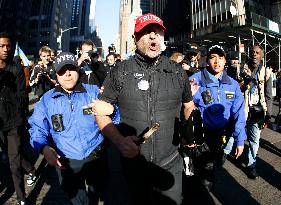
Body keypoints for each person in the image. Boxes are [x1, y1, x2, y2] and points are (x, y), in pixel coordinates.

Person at [91, 13, 193, 205]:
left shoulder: (178, 71)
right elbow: (101, 111)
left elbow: (188, 105)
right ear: (135, 39)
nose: (153, 36)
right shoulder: (120, 71)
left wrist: (188, 134)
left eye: (157, 31)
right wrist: (120, 142)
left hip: (170, 163)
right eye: (146, 32)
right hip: (135, 164)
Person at [28, 52, 119, 205]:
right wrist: (44, 148)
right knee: (77, 201)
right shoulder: (47, 100)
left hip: (95, 156)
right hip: (66, 161)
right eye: (62, 70)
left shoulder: (94, 92)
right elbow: (37, 129)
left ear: (78, 70)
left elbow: (116, 119)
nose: (68, 74)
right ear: (56, 74)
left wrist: (113, 110)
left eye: (71, 69)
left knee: (96, 196)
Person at [188, 45, 246, 191]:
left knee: (211, 163)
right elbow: (184, 106)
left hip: (221, 133)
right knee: (203, 167)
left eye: (220, 58)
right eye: (213, 57)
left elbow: (238, 113)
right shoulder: (195, 80)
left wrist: (240, 140)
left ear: (225, 61)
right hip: (199, 134)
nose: (217, 62)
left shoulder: (232, 84)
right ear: (207, 61)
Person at [224, 44, 272, 179]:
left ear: (262, 55)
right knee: (234, 131)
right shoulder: (240, 69)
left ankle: (251, 165)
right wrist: (242, 84)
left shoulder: (266, 72)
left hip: (257, 110)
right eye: (252, 52)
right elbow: (232, 88)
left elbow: (268, 95)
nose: (254, 54)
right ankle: (224, 153)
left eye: (257, 52)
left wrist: (268, 115)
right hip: (241, 108)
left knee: (254, 139)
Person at [0, 32, 34, 205]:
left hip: (13, 121)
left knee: (13, 162)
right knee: (11, 155)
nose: (6, 49)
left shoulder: (17, 68)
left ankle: (22, 199)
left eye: (8, 46)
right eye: (2, 46)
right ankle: (31, 169)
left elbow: (22, 96)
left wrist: (21, 118)